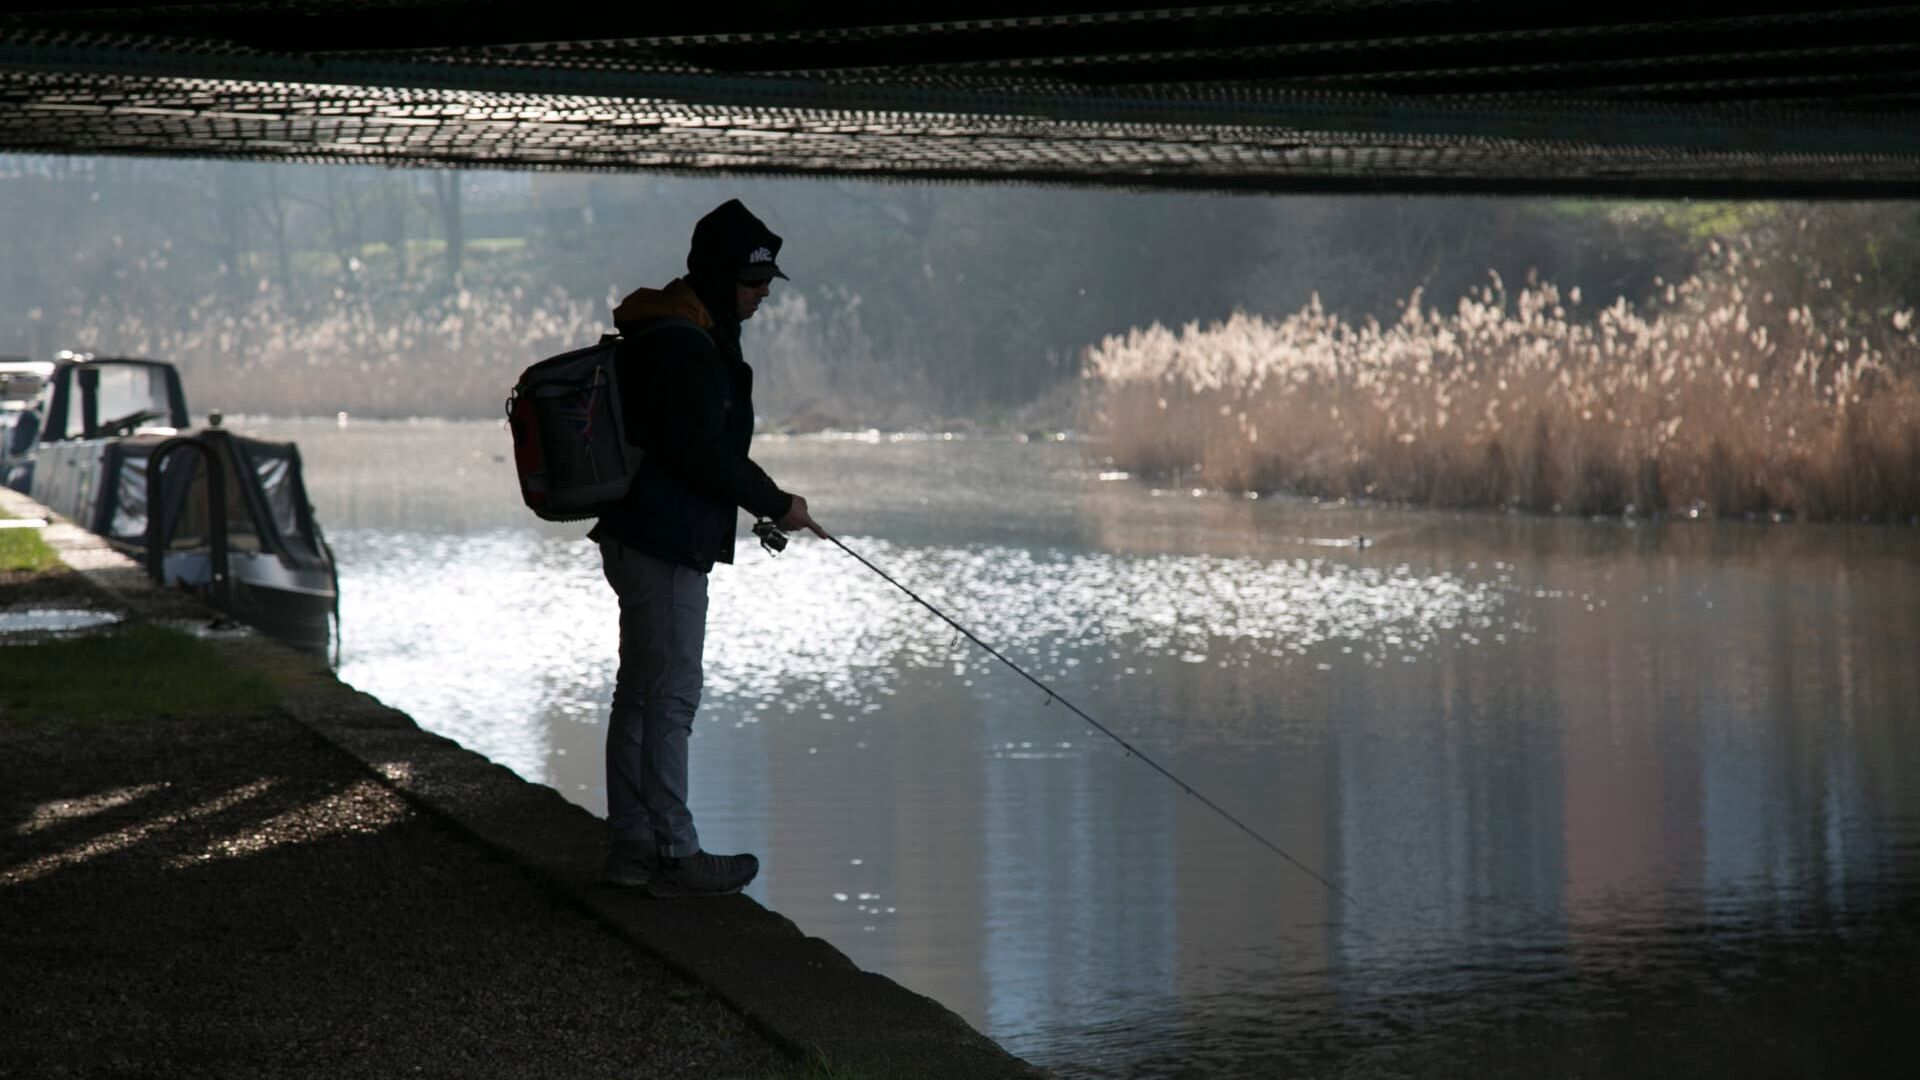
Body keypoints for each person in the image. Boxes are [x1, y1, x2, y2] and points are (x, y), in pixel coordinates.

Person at [591, 198, 824, 898]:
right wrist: (777, 503)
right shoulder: (683, 344)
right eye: (753, 285)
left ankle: (635, 848)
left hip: (648, 533)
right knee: (670, 699)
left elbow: (694, 451)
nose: (760, 298)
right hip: (663, 543)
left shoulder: (678, 331)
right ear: (721, 278)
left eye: (764, 286)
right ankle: (672, 850)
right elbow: (704, 453)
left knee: (641, 695)